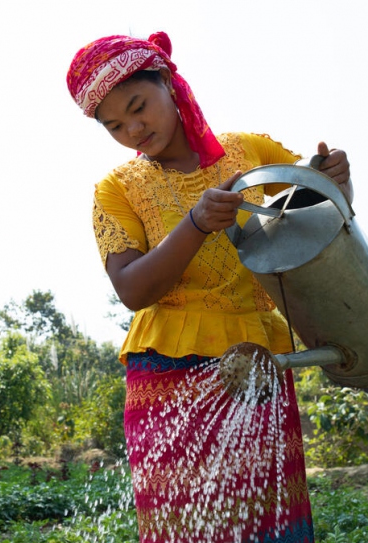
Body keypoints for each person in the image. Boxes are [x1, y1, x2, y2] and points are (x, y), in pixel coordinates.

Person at [66, 32, 352, 543]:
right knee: (182, 526)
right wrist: (195, 223)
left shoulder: (251, 153)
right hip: (168, 376)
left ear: (170, 86)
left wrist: (336, 180)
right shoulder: (117, 189)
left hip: (256, 366)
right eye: (114, 126)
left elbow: (323, 222)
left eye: (138, 107)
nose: (133, 129)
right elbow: (132, 289)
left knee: (269, 522)